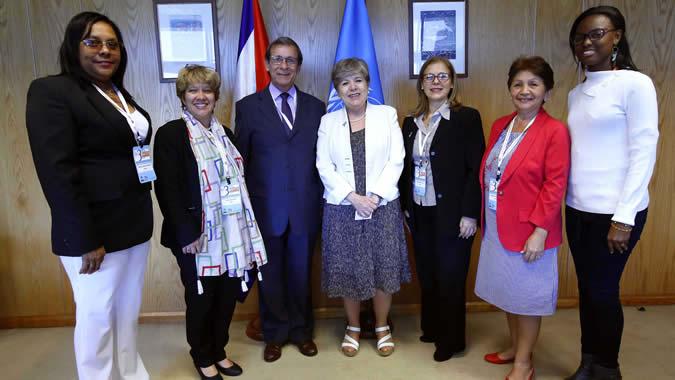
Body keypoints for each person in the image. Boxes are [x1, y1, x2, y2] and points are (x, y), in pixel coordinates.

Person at [25, 11, 153, 380]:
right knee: (96, 316)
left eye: (112, 44)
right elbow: (57, 172)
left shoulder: (115, 92)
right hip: (93, 231)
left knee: (127, 311)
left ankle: (131, 374)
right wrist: (85, 238)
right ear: (73, 45)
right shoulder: (52, 91)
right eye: (92, 41)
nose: (104, 51)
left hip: (133, 223)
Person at [154, 65, 267, 379]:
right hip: (196, 236)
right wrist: (186, 232)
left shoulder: (225, 135)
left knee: (227, 296)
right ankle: (202, 355)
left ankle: (219, 350)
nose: (200, 96)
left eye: (206, 90)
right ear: (183, 96)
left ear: (216, 96)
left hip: (231, 234)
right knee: (202, 297)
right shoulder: (171, 134)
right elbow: (167, 188)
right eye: (193, 91)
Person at [565, 6, 659, 380]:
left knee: (603, 289)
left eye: (595, 34)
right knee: (588, 289)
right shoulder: (576, 92)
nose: (586, 43)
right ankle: (589, 361)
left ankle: (607, 367)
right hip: (578, 209)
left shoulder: (635, 84)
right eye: (579, 38)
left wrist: (625, 216)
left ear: (616, 36)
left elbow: (644, 148)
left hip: (617, 212)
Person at [474, 56, 570, 380]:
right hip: (497, 223)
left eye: (533, 84)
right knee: (507, 291)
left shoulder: (554, 131)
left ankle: (524, 363)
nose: (524, 90)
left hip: (530, 230)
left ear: (547, 91)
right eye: (518, 84)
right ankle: (516, 347)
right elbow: (494, 172)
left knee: (526, 298)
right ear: (509, 89)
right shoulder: (501, 125)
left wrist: (540, 230)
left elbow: (555, 184)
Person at [234, 37, 325, 362]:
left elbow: (323, 159)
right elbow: (241, 161)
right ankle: (274, 335)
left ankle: (302, 332)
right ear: (267, 63)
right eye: (278, 59)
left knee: (302, 274)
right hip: (265, 208)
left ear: (298, 66)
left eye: (290, 60)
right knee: (269, 275)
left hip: (305, 207)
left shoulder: (317, 107)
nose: (284, 66)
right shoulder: (247, 107)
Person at [316, 57, 411, 357]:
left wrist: (376, 197)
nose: (352, 87)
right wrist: (352, 196)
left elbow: (397, 158)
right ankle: (353, 326)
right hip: (342, 208)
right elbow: (323, 165)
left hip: (382, 207)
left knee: (384, 266)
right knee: (348, 269)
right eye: (345, 82)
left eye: (358, 80)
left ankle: (382, 325)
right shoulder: (328, 121)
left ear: (368, 85)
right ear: (337, 90)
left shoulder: (387, 115)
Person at [398, 56, 484, 362]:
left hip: (454, 213)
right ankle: (433, 327)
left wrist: (470, 213)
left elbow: (477, 169)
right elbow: (405, 168)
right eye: (430, 77)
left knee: (451, 276)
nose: (436, 82)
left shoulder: (466, 118)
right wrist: (406, 208)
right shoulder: (410, 122)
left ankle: (452, 340)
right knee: (429, 273)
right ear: (421, 83)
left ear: (451, 82)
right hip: (420, 211)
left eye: (442, 76)